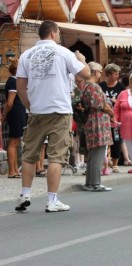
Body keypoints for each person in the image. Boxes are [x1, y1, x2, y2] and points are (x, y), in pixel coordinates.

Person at [15, 20, 90, 212]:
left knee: (30, 155)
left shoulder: (26, 55)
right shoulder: (63, 52)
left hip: (37, 110)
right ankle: (52, 200)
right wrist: (80, 58)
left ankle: (25, 194)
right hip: (60, 110)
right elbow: (86, 74)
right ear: (53, 33)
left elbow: (21, 88)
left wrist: (30, 106)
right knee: (56, 156)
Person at [81, 62, 114, 191]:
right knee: (98, 152)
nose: (101, 74)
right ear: (95, 72)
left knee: (94, 153)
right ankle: (95, 183)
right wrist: (111, 113)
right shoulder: (94, 86)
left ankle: (90, 182)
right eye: (100, 71)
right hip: (98, 121)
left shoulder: (86, 86)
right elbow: (101, 105)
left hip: (92, 120)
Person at [98, 63, 125, 173]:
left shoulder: (121, 87)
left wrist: (116, 102)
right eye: (115, 74)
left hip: (115, 118)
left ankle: (115, 164)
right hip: (103, 117)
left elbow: (124, 102)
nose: (117, 76)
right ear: (108, 74)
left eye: (118, 74)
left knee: (116, 140)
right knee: (103, 141)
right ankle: (104, 164)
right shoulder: (101, 86)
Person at [2, 59, 26, 178]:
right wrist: (4, 114)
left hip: (18, 113)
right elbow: (10, 103)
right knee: (13, 142)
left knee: (16, 142)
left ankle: (15, 169)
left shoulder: (14, 81)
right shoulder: (12, 82)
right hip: (15, 113)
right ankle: (12, 170)